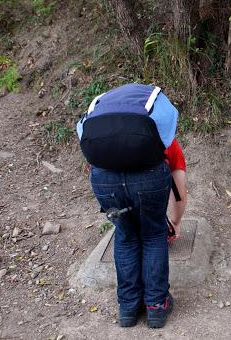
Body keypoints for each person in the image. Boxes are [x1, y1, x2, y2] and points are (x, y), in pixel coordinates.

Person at [77, 83, 181, 328]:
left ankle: (128, 308)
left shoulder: (98, 103)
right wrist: (175, 219)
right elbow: (166, 142)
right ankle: (156, 306)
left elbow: (83, 137)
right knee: (154, 234)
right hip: (149, 178)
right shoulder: (156, 100)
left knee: (125, 235)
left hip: (105, 180)